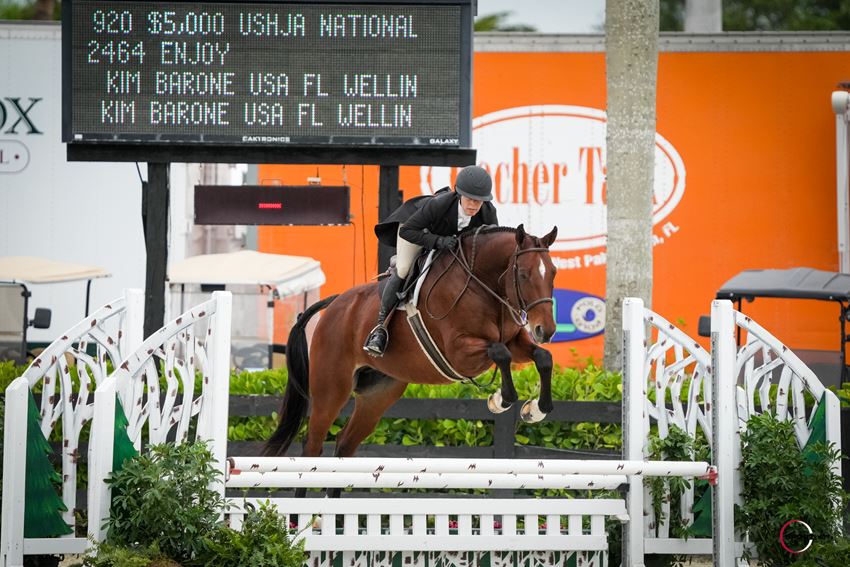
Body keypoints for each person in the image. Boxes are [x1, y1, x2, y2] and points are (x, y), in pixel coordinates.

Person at [363, 165, 498, 357]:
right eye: (470, 199)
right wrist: (438, 241)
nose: (474, 206)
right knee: (403, 268)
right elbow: (407, 231)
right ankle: (380, 328)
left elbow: (490, 245)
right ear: (459, 194)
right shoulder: (439, 205)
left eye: (479, 201)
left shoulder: (487, 213)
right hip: (417, 229)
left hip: (448, 240)